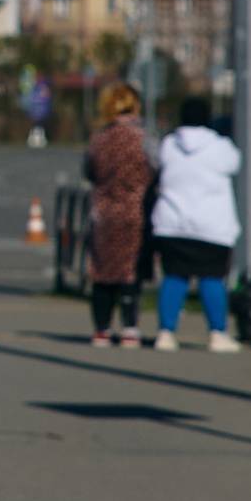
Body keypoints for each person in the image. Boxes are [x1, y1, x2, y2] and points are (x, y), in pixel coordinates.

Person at [150, 97, 242, 354]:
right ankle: (217, 333)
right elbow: (235, 164)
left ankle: (166, 333)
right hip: (212, 226)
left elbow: (157, 166)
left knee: (174, 277)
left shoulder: (169, 144)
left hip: (172, 223)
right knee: (211, 279)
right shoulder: (220, 147)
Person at [83, 84, 155, 349]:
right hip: (135, 211)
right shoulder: (142, 137)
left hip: (103, 212)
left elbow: (89, 170)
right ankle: (130, 328)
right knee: (130, 272)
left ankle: (101, 328)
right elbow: (156, 167)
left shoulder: (99, 139)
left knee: (102, 271)